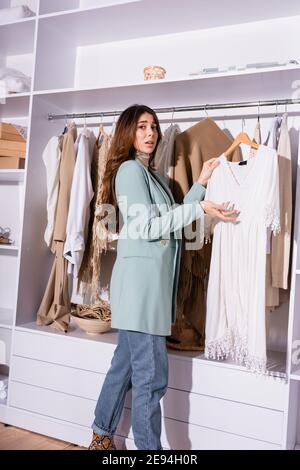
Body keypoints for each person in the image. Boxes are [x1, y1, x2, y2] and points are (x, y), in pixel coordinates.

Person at [89, 104, 239, 451]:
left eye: (153, 127)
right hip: (143, 292)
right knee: (150, 380)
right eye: (142, 127)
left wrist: (200, 185)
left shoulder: (154, 176)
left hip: (149, 290)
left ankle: (100, 435)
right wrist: (197, 208)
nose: (150, 133)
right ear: (128, 132)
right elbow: (145, 228)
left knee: (124, 368)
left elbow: (174, 216)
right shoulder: (129, 171)